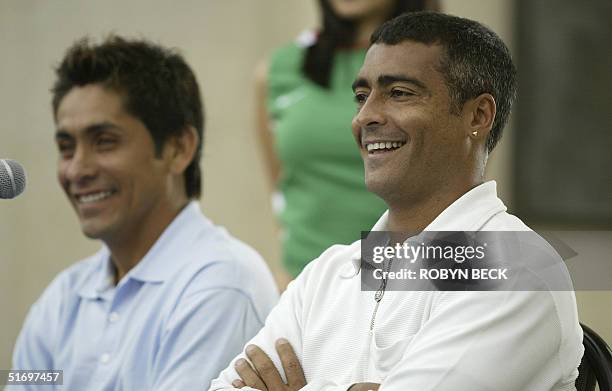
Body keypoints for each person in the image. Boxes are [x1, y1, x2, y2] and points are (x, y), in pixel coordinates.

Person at [211, 12, 584, 391]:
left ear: (478, 115)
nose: (365, 117)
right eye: (361, 96)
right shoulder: (326, 274)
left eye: (399, 93)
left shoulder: (516, 269)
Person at [10, 36, 278, 390]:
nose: (77, 169)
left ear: (178, 148)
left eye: (104, 141)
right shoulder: (62, 298)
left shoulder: (222, 284)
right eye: (66, 147)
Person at [256, 0, 438, 280]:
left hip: (405, 283)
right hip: (303, 283)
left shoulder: (447, 66)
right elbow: (283, 187)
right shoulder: (279, 68)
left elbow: (458, 187)